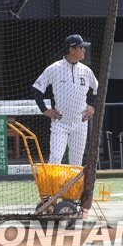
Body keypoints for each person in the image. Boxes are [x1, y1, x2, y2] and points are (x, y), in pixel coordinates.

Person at [32, 34, 100, 166]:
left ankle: (74, 188)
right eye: (81, 48)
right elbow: (36, 88)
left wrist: (92, 106)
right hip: (60, 122)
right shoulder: (54, 68)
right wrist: (44, 110)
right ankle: (53, 187)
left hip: (80, 122)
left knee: (76, 162)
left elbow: (98, 89)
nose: (84, 51)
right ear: (72, 49)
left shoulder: (86, 70)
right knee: (55, 159)